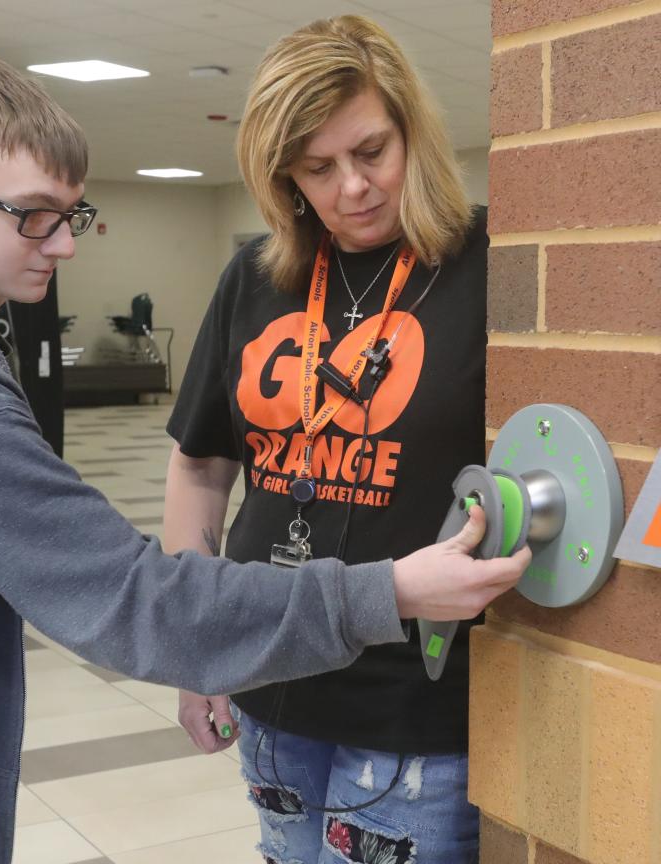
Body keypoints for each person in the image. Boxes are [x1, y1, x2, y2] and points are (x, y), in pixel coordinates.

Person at [0, 49, 528, 864]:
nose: (64, 245)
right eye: (32, 214)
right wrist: (390, 590)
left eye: (68, 214)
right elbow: (135, 598)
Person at [165, 15, 500, 864]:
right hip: (270, 679)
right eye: (318, 168)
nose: (352, 187)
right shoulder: (255, 277)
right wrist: (194, 643)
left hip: (414, 705)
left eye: (371, 151)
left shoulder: (488, 263)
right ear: (283, 178)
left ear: (413, 134)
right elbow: (201, 464)